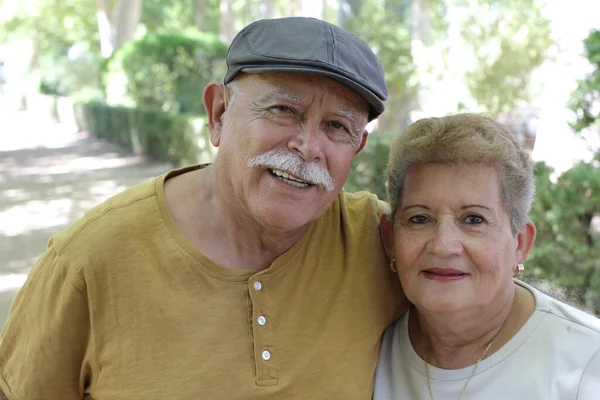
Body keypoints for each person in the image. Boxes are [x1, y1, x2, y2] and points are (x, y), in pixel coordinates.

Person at [0, 17, 405, 400]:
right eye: (284, 110)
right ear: (219, 114)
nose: (309, 146)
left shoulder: (387, 243)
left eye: (337, 126)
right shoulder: (88, 261)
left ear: (357, 147)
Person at [374, 113, 600, 399]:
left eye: (473, 220)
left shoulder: (588, 366)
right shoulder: (369, 345)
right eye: (419, 219)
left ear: (520, 243)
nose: (443, 246)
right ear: (390, 238)